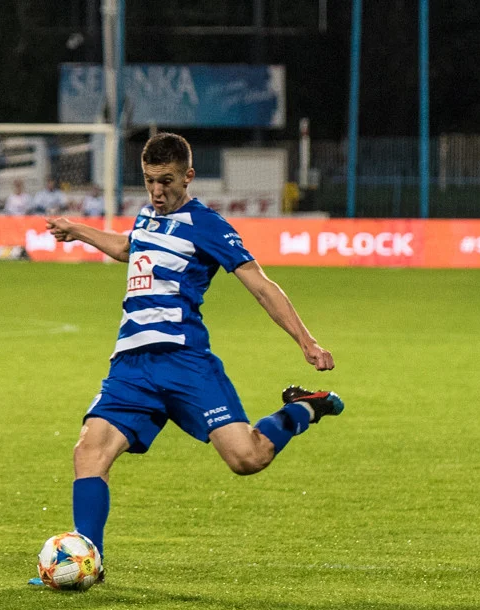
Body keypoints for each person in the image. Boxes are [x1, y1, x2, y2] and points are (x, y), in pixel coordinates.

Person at [30, 132, 343, 586]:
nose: (157, 192)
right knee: (89, 452)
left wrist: (306, 342)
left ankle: (303, 407)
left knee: (247, 458)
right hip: (132, 366)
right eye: (149, 181)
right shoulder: (146, 216)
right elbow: (128, 248)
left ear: (188, 177)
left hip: (185, 362)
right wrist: (77, 230)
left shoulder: (208, 224)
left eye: (167, 181)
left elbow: (260, 284)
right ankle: (89, 563)